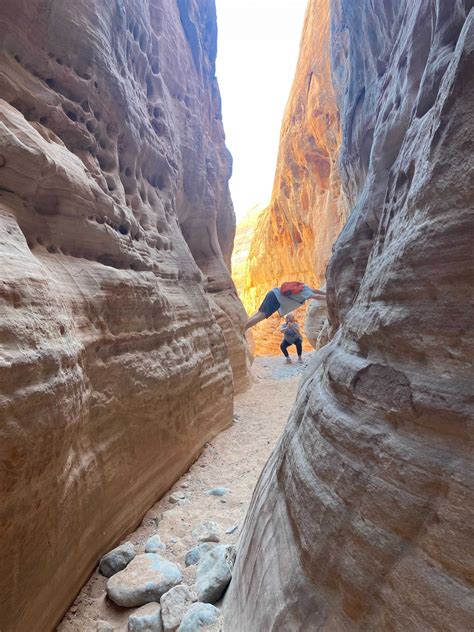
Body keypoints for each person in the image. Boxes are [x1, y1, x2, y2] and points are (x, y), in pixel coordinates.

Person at [245, 282, 326, 331]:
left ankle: (243, 326)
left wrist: (326, 293)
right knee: (261, 316)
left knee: (259, 314)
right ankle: (243, 329)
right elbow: (317, 296)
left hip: (273, 293)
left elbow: (315, 291)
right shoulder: (305, 293)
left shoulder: (304, 287)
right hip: (276, 298)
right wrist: (330, 297)